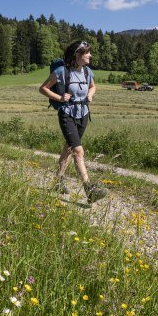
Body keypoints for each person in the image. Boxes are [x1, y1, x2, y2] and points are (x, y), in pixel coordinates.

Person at [39, 40, 108, 203]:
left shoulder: (87, 71)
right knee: (78, 151)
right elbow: (43, 88)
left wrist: (91, 94)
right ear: (77, 54)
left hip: (83, 114)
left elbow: (93, 86)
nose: (90, 55)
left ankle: (58, 180)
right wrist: (59, 98)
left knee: (69, 148)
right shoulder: (61, 71)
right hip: (67, 114)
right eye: (87, 53)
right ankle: (89, 189)